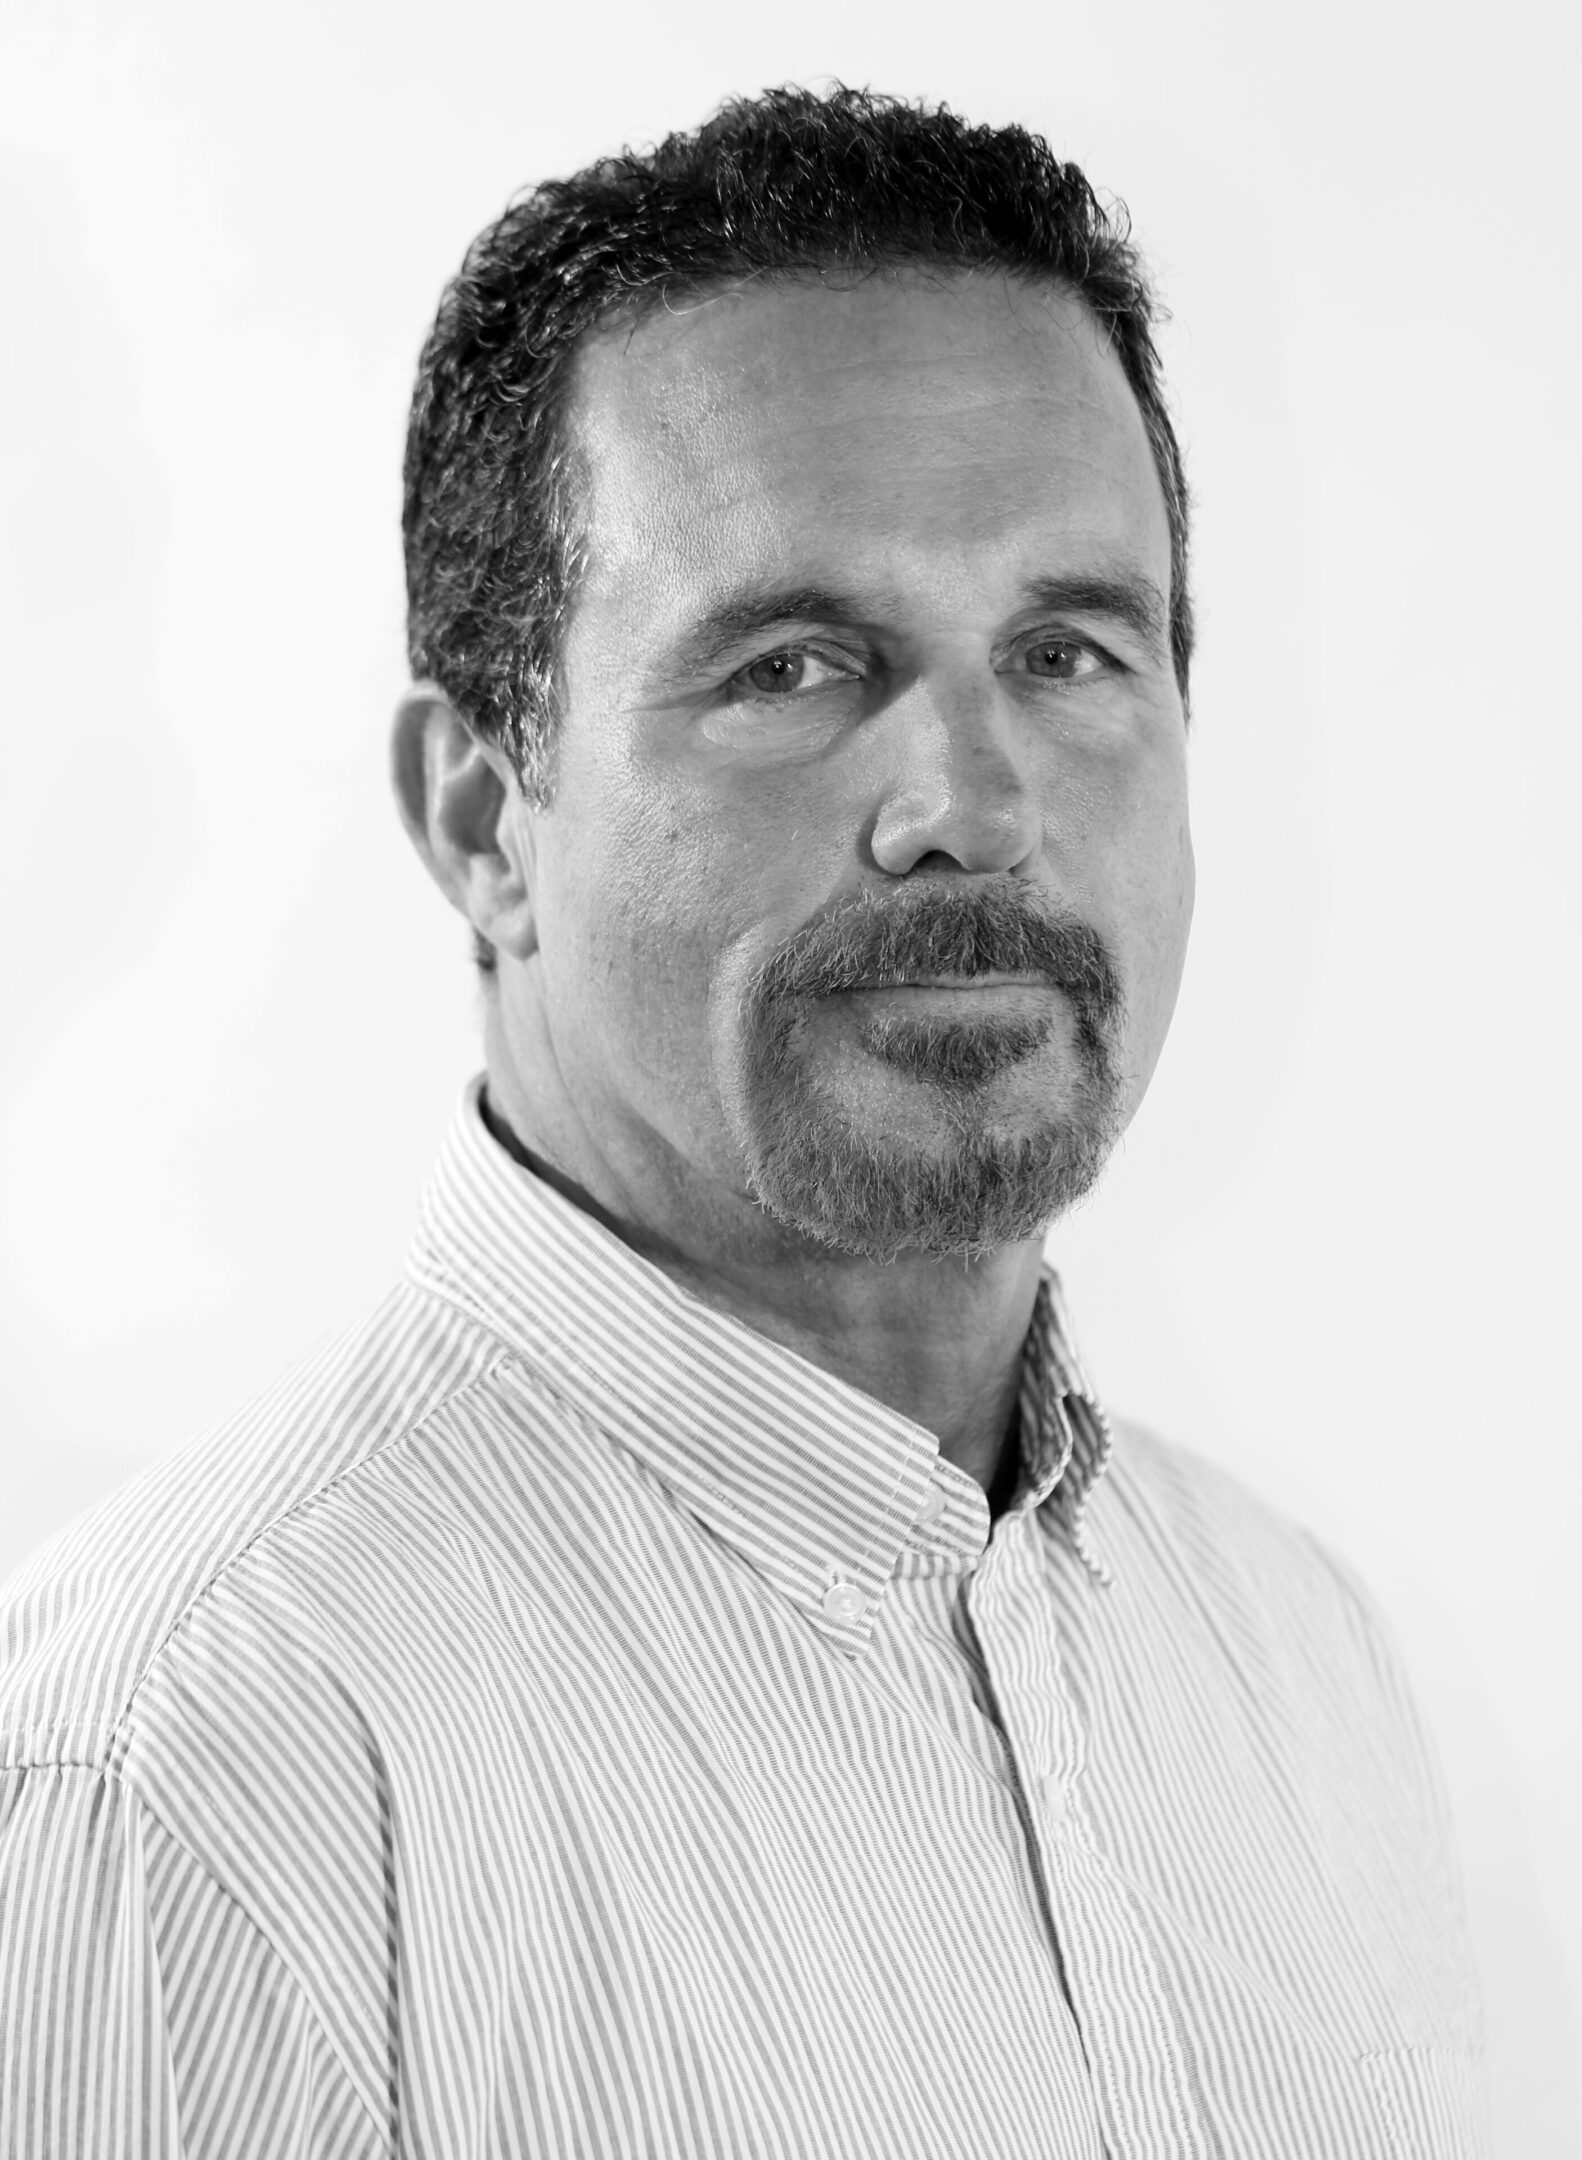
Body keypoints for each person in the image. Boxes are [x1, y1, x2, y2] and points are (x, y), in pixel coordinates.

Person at [0, 85, 1488, 2159]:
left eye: (1068, 649)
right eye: (791, 665)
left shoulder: (1298, 1661)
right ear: (476, 817)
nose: (969, 800)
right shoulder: (194, 1771)